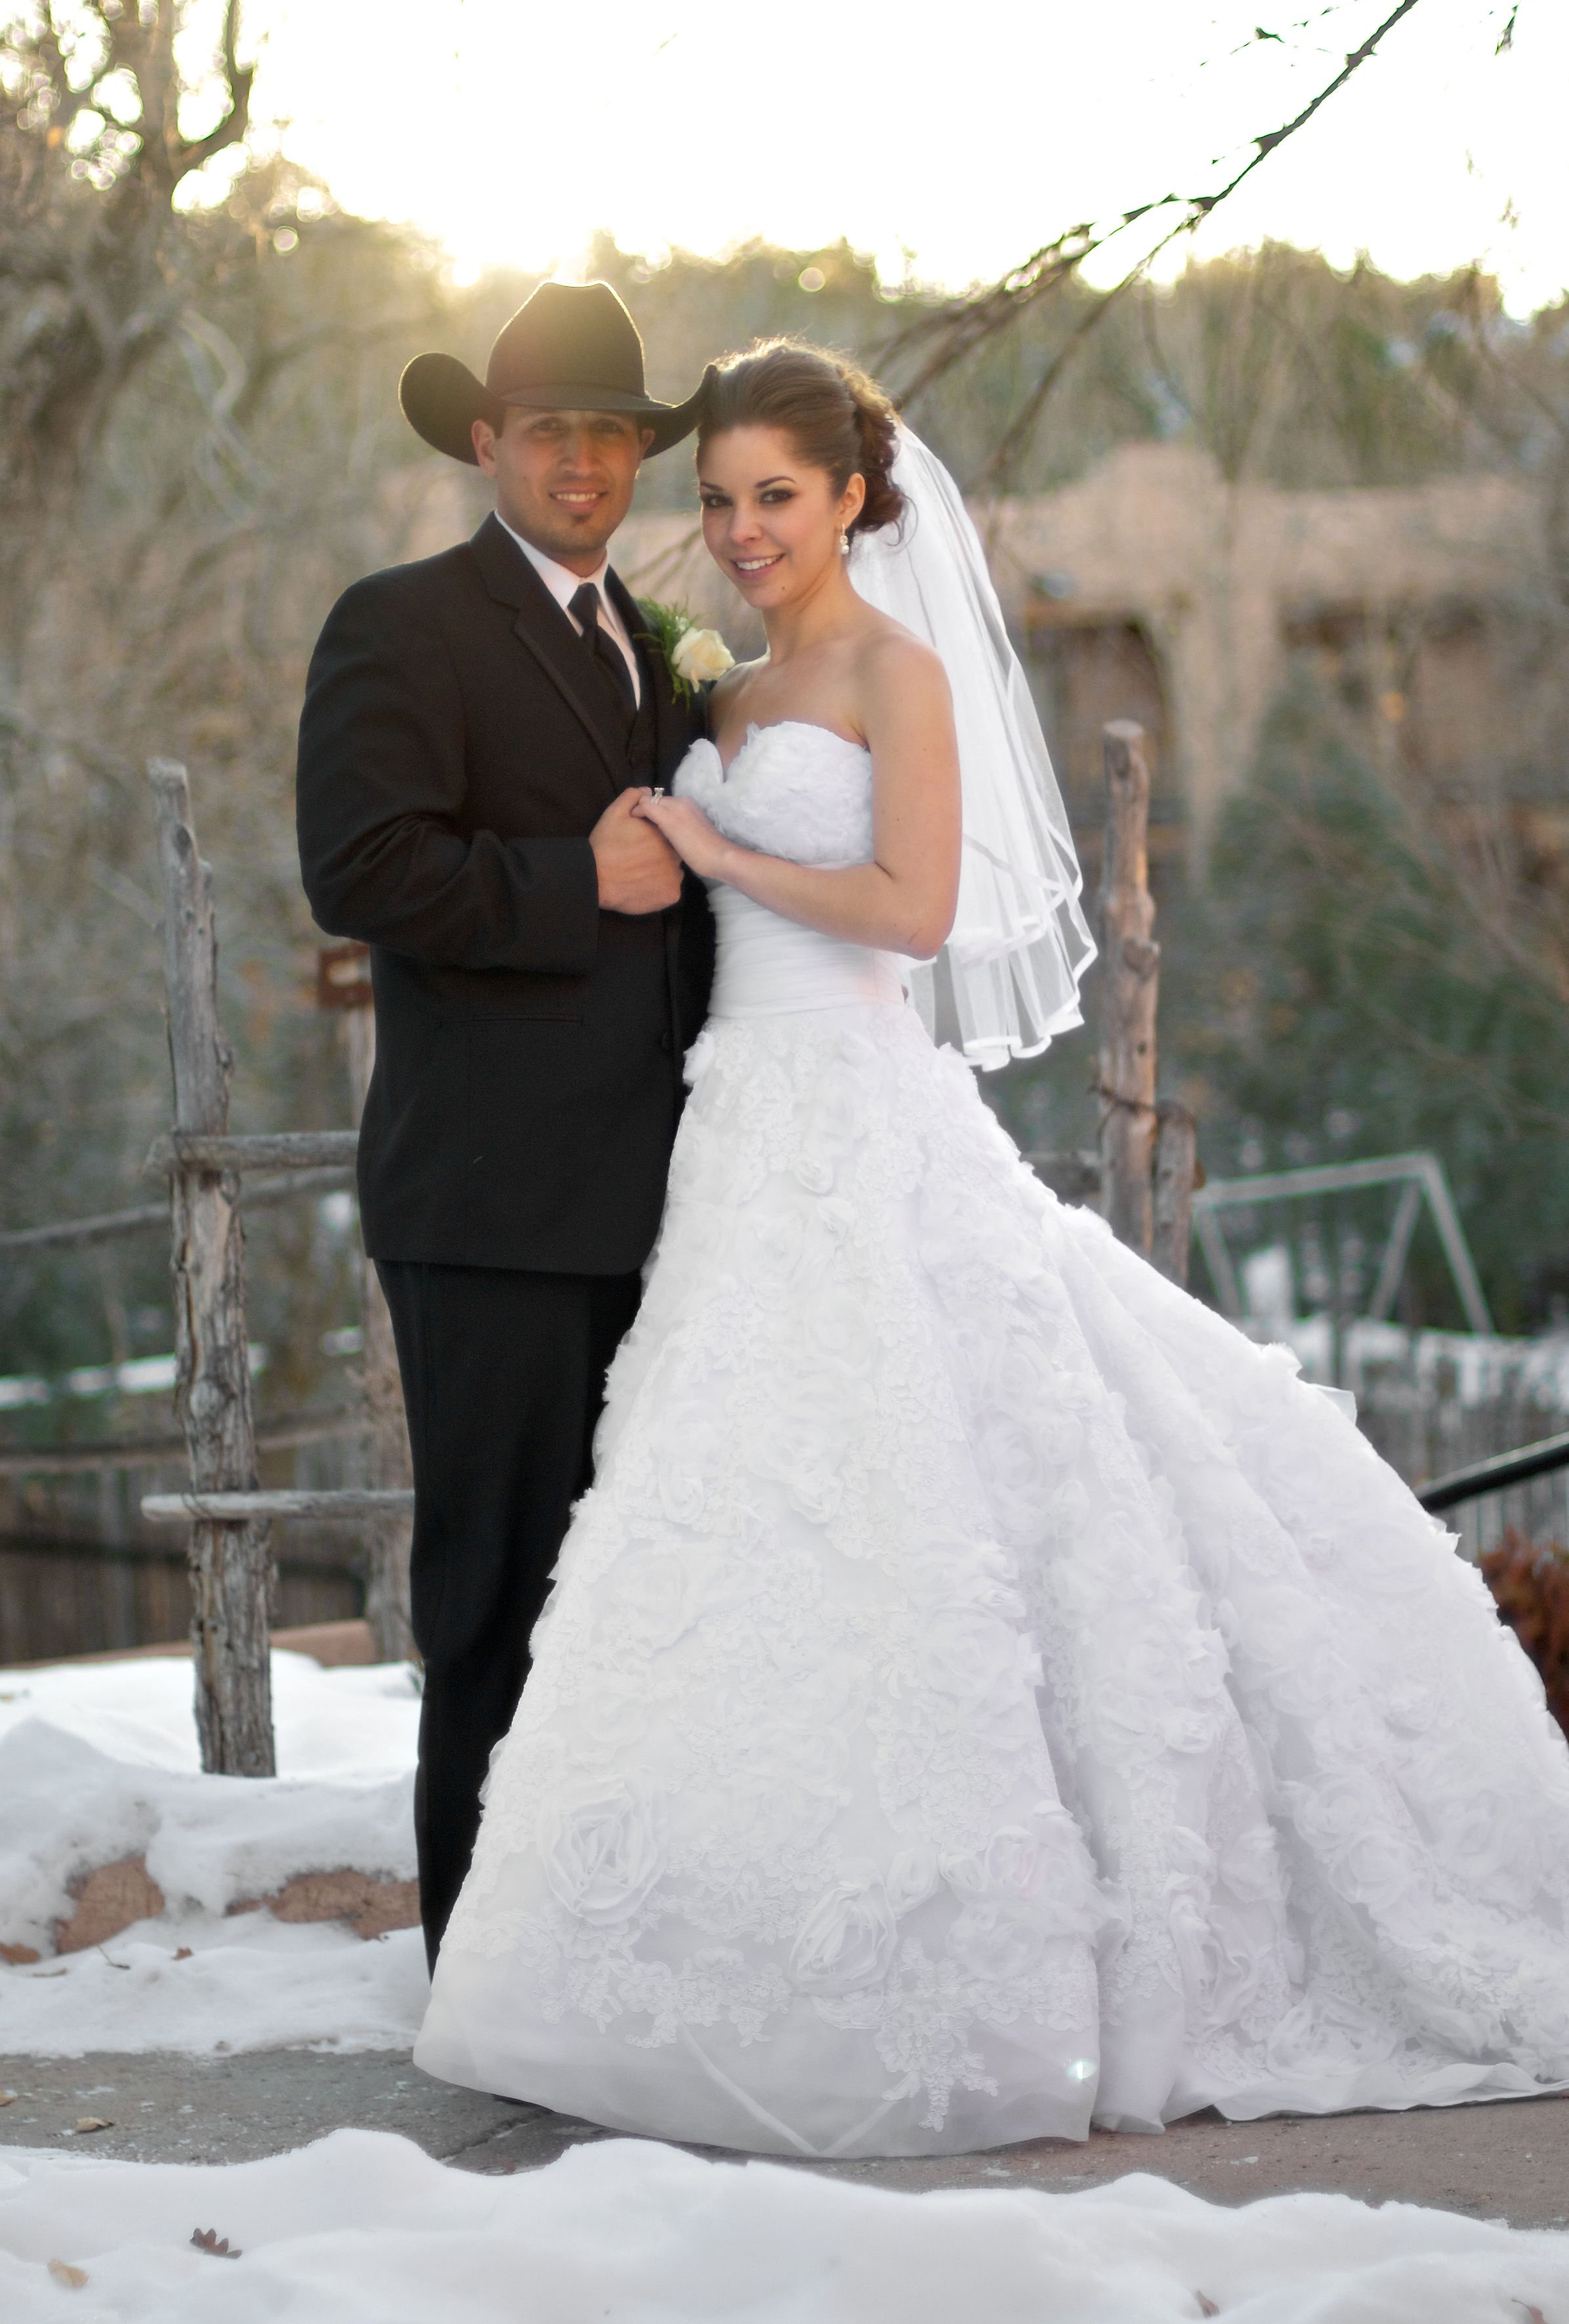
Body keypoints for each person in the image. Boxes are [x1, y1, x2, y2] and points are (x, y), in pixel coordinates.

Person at [413, 340, 1569, 2160]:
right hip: (737, 1130)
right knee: (734, 1515)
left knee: (922, 1497)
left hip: (859, 1102)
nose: (739, 532)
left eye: (774, 498)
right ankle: (691, 1927)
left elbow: (914, 909)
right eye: (715, 502)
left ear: (855, 496)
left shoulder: (897, 671)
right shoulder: (720, 684)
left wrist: (720, 852)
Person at [295, 281, 715, 1963]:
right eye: (553, 432)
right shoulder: (400, 623)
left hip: (672, 1203)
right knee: (492, 1599)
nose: (585, 462)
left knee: (635, 1598)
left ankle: (610, 1945)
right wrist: (573, 879)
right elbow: (360, 867)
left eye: (613, 434)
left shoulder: (660, 642)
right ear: (488, 440)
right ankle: (486, 1973)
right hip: (492, 1210)